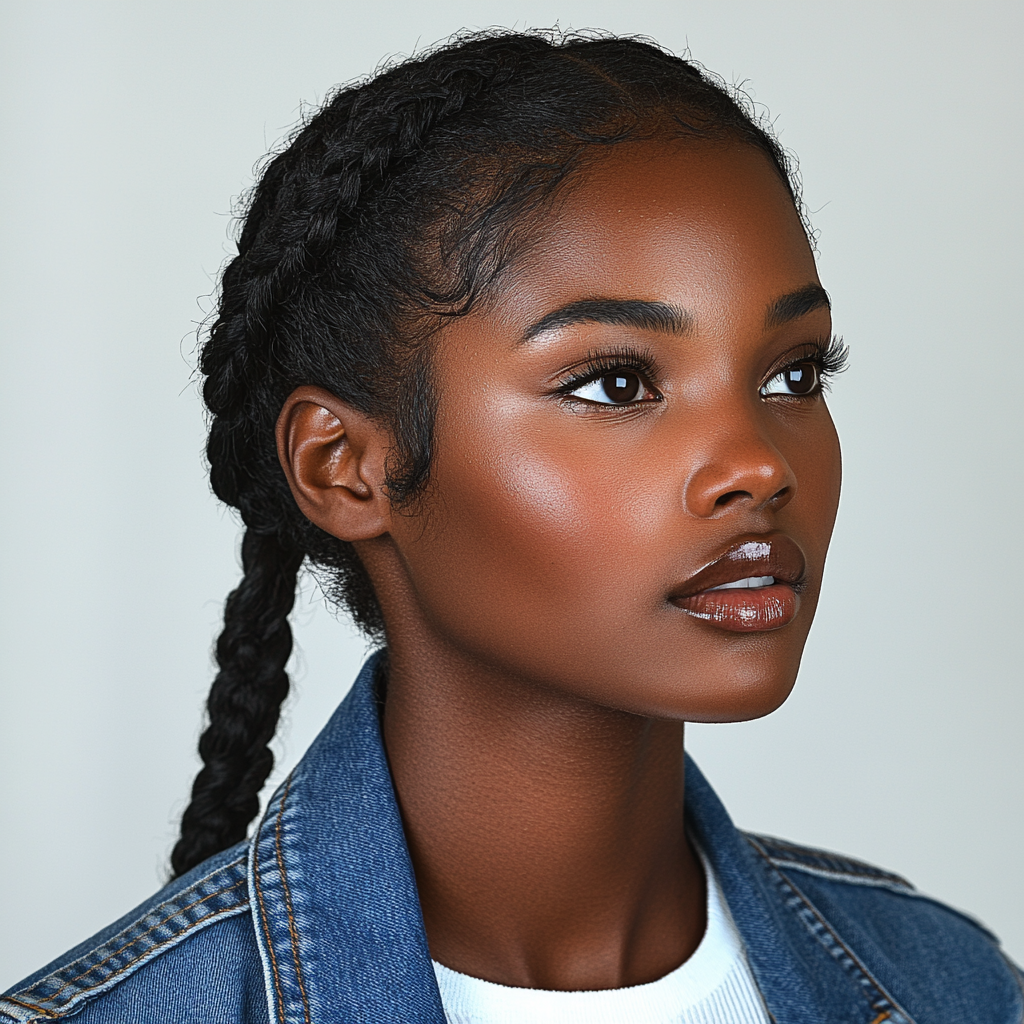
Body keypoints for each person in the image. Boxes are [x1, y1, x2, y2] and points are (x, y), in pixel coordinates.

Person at [2, 29, 1019, 1024]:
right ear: (343, 466)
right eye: (617, 382)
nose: (758, 462)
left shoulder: (954, 985)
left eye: (792, 373)